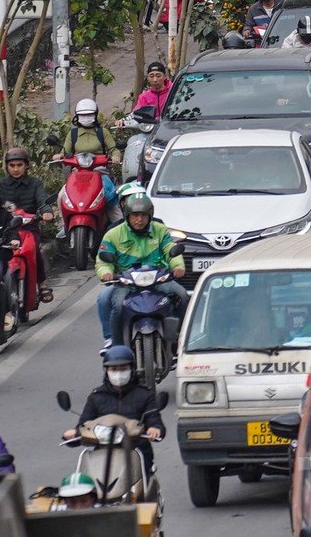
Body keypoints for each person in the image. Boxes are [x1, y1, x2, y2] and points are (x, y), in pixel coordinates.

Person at [94, 188, 189, 346]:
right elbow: (103, 260)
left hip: (158, 280)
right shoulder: (113, 234)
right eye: (135, 215)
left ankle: (179, 335)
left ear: (150, 215)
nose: (139, 219)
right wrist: (106, 273)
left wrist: (178, 266)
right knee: (111, 303)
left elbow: (170, 250)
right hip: (126, 282)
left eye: (143, 215)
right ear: (127, 215)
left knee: (183, 295)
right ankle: (113, 342)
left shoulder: (160, 230)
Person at [66, 344, 166, 475]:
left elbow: (153, 418)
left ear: (132, 369)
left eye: (123, 368)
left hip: (136, 451)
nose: (118, 373)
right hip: (102, 453)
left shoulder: (144, 395)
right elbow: (84, 424)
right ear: (106, 371)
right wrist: (74, 433)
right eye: (114, 369)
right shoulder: (96, 397)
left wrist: (155, 429)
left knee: (141, 487)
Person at [0, 146, 54, 304]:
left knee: (35, 250)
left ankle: (42, 284)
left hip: (29, 228)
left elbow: (43, 201)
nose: (16, 169)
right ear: (7, 167)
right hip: (7, 229)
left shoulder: (35, 184)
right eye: (12, 165)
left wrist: (46, 211)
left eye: (19, 165)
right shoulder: (1, 186)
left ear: (26, 165)